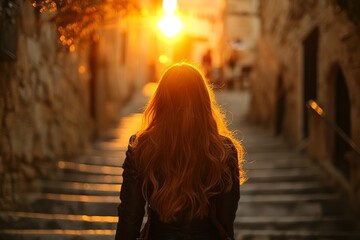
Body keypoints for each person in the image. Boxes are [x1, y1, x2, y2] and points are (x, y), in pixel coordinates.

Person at [115, 62, 246, 240]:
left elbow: (130, 217)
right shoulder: (223, 151)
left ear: (160, 101)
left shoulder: (141, 147)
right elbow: (225, 221)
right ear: (203, 102)